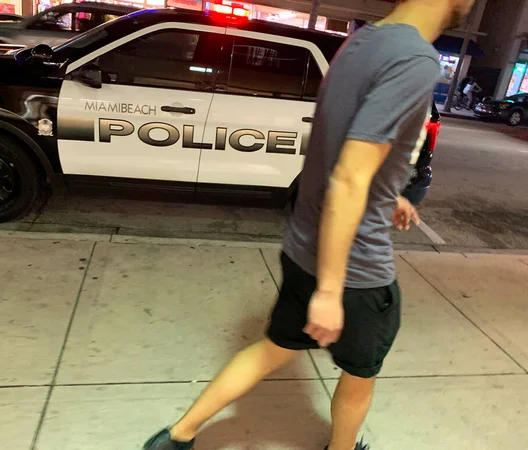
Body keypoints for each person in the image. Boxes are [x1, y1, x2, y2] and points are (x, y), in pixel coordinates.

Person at [143, 1, 477, 449]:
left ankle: (175, 438)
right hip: (355, 269)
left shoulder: (361, 41)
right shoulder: (416, 59)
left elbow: (342, 146)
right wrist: (330, 292)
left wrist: (386, 194)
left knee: (272, 350)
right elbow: (349, 176)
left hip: (303, 245)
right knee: (361, 375)